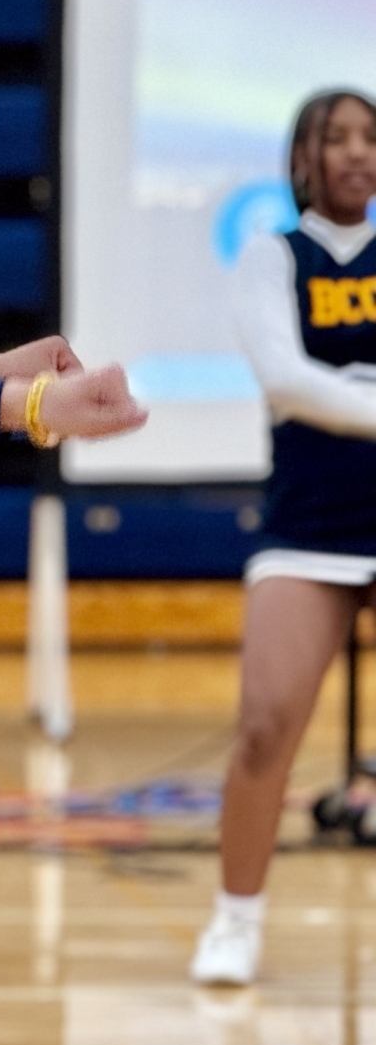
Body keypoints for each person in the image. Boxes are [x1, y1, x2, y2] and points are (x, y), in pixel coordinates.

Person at [193, 87, 376, 986]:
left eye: (370, 138)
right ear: (302, 158)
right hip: (311, 527)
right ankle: (236, 920)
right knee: (266, 727)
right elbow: (286, 380)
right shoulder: (275, 256)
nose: (357, 152)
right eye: (336, 138)